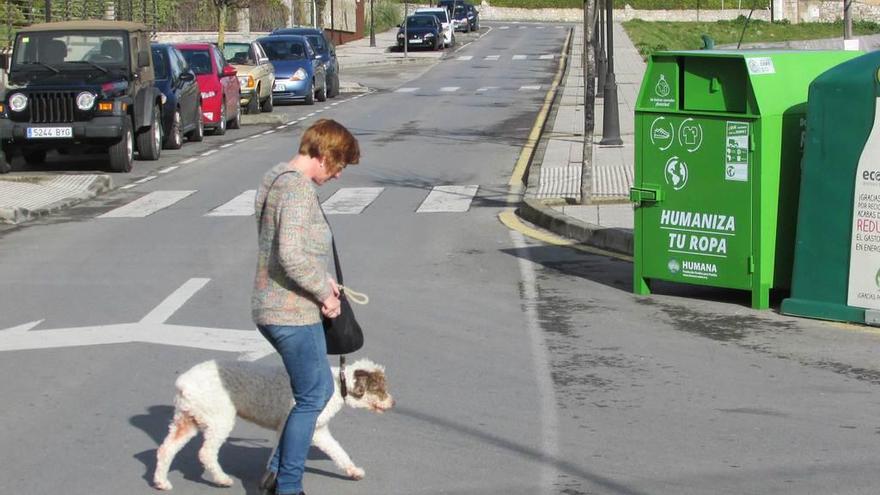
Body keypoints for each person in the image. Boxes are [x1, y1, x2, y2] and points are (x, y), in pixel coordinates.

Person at [252, 118, 360, 495]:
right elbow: (291, 254)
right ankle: (288, 486)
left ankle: (277, 473)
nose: (337, 175)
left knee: (314, 390)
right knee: (314, 395)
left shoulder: (274, 178)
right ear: (323, 153)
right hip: (291, 310)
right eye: (339, 165)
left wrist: (322, 278)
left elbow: (278, 248)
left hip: (273, 303)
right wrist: (325, 295)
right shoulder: (297, 190)